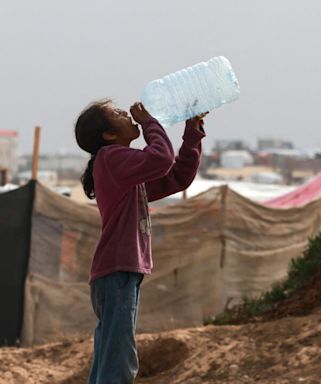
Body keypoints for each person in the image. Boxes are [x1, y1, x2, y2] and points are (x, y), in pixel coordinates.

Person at [74, 99, 206, 383]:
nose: (128, 113)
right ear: (108, 135)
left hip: (120, 273)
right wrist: (148, 122)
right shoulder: (110, 158)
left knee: (111, 356)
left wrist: (192, 132)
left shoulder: (124, 170)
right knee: (119, 360)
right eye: (119, 114)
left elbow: (177, 178)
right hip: (116, 272)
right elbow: (161, 158)